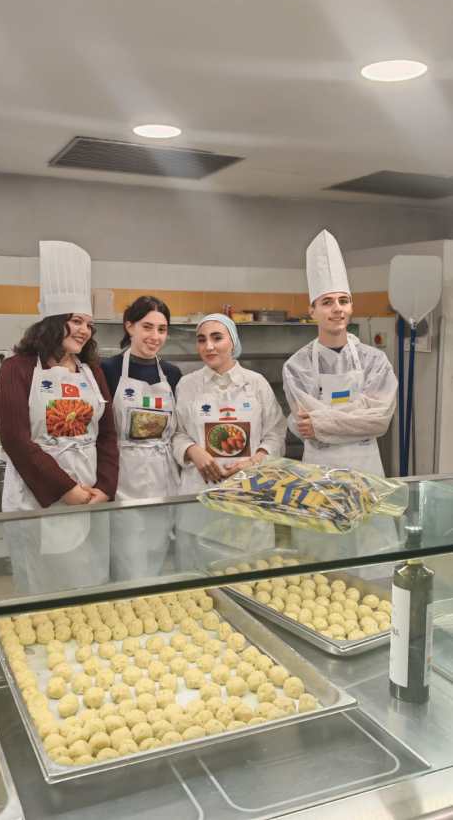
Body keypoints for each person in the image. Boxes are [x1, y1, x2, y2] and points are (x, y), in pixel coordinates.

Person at [0, 240, 118, 593]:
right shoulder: (16, 370)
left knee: (87, 587)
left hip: (91, 496)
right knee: (41, 590)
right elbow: (16, 441)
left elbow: (108, 434)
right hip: (39, 498)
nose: (84, 331)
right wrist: (65, 489)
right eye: (76, 321)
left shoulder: (92, 371)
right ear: (52, 322)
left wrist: (105, 487)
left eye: (89, 324)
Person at [283, 230, 399, 569]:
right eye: (328, 302)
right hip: (319, 472)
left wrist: (322, 421)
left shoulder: (375, 360)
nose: (337, 309)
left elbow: (380, 421)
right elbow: (305, 422)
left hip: (367, 469)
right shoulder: (297, 365)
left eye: (343, 301)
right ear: (313, 310)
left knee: (374, 559)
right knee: (321, 562)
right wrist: (357, 414)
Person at [173, 313, 286, 568]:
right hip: (200, 497)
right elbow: (176, 433)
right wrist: (193, 451)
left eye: (217, 338)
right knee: (196, 583)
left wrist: (257, 458)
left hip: (247, 496)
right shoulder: (187, 385)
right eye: (201, 340)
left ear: (232, 342)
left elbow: (276, 430)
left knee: (248, 576)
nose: (208, 346)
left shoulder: (256, 384)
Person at [102, 295, 182, 579]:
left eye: (162, 329)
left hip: (162, 478)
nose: (155, 336)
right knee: (128, 564)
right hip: (124, 479)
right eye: (147, 327)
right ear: (129, 326)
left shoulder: (172, 374)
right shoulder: (108, 370)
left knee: (157, 557)